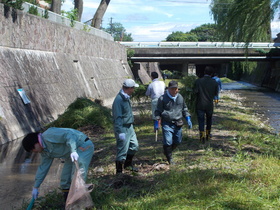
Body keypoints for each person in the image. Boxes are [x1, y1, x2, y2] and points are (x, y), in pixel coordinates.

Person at [22, 127, 94, 201]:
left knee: (76, 176)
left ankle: (80, 201)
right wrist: (36, 187)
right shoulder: (44, 152)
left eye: (33, 149)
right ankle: (69, 201)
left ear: (36, 142)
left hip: (83, 146)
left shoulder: (49, 135)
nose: (34, 151)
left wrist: (73, 150)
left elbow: (69, 135)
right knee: (65, 180)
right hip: (70, 155)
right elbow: (43, 168)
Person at [155, 81, 192, 165]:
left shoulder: (180, 97)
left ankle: (167, 151)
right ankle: (170, 158)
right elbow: (158, 111)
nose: (174, 91)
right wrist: (157, 122)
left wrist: (188, 118)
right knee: (168, 141)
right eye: (172, 89)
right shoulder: (162, 98)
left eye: (176, 89)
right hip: (167, 123)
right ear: (168, 89)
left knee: (177, 141)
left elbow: (184, 109)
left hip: (178, 123)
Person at [112, 78, 139, 174]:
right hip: (123, 128)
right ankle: (119, 173)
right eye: (133, 88)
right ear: (129, 88)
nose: (134, 90)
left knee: (134, 146)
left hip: (129, 127)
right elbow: (117, 117)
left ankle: (128, 165)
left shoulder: (126, 97)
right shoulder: (119, 100)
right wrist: (120, 132)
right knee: (122, 150)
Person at [194, 66, 219, 144]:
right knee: (209, 120)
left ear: (204, 72)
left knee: (201, 121)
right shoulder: (214, 82)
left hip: (200, 104)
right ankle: (208, 135)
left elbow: (195, 92)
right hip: (209, 105)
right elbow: (215, 93)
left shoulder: (198, 81)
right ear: (211, 74)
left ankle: (202, 137)